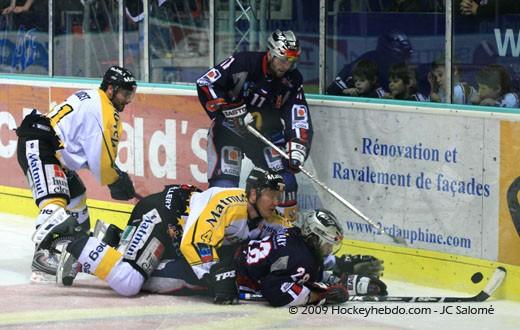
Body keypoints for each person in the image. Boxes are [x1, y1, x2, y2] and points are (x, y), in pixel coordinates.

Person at [34, 167, 288, 304]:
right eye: (271, 195)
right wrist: (213, 275)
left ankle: (109, 241)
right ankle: (71, 237)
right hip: (162, 215)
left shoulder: (268, 217)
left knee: (159, 269)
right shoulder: (231, 204)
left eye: (279, 197)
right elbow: (196, 242)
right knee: (129, 281)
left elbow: (288, 236)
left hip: (174, 230)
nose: (276, 202)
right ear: (253, 194)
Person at [16, 65, 137, 282]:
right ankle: (43, 257)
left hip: (51, 148)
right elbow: (102, 165)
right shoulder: (107, 112)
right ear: (111, 89)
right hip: (41, 145)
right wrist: (115, 179)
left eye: (131, 94)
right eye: (124, 93)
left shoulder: (91, 97)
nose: (128, 100)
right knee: (55, 201)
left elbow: (83, 149)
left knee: (77, 200)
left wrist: (113, 173)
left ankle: (68, 247)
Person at [196, 29, 312, 221]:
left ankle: (285, 237)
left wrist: (297, 145)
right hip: (229, 132)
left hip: (265, 136)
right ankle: (223, 239)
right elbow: (206, 83)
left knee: (286, 181)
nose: (287, 66)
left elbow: (297, 112)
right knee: (224, 188)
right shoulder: (244, 62)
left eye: (292, 62)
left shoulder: (292, 79)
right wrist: (233, 110)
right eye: (283, 60)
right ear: (271, 53)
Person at [236, 209, 388, 306]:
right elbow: (273, 290)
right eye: (328, 244)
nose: (329, 250)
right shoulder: (301, 258)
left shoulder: (294, 234)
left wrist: (350, 283)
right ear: (314, 238)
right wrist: (321, 296)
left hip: (239, 257)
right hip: (238, 278)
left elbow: (306, 275)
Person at [327, 30, 413, 95]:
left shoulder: (399, 70)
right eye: (401, 56)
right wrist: (345, 92)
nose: (404, 61)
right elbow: (333, 89)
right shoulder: (366, 62)